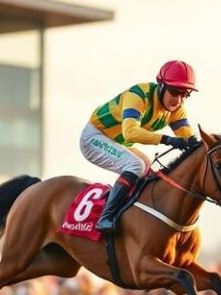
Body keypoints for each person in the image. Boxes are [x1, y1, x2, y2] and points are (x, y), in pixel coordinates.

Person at [81, 60, 200, 233]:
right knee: (136, 165)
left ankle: (131, 211)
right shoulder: (138, 95)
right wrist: (168, 140)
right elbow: (130, 133)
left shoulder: (176, 109)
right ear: (161, 86)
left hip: (116, 142)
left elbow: (189, 139)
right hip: (94, 137)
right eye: (174, 92)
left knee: (147, 166)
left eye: (185, 94)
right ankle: (105, 216)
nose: (178, 100)